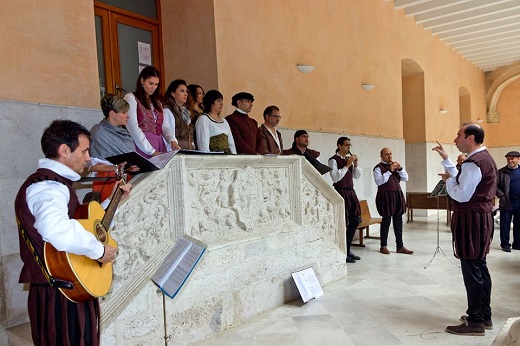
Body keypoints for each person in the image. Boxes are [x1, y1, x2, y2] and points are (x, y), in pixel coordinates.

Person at [14, 120, 131, 345]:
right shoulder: (47, 186)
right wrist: (98, 251)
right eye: (84, 150)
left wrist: (113, 201)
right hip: (58, 296)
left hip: (70, 286)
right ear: (64, 150)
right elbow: (56, 230)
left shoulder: (58, 185)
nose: (88, 158)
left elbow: (88, 226)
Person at [432, 124, 497, 336]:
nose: (455, 139)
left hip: (471, 219)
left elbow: (461, 194)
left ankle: (476, 321)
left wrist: (448, 181)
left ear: (470, 138)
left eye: (458, 135)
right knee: (479, 266)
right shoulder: (481, 159)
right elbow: (463, 179)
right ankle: (484, 315)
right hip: (479, 218)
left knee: (472, 269)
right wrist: (446, 159)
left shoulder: (474, 163)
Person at [90, 94, 139, 201]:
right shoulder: (98, 132)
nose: (128, 115)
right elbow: (92, 166)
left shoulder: (124, 132)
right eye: (124, 112)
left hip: (128, 180)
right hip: (108, 181)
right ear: (112, 114)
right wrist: (118, 168)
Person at [124, 66, 178, 158]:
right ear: (142, 81)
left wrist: (172, 140)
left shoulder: (157, 102)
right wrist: (151, 151)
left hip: (159, 143)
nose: (153, 87)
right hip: (141, 144)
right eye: (151, 83)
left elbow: (163, 125)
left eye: (156, 85)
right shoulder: (131, 97)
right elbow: (132, 127)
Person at [373, 148, 414, 255]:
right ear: (381, 155)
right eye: (387, 154)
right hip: (385, 196)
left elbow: (405, 179)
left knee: (398, 221)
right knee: (386, 221)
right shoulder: (378, 168)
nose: (390, 156)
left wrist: (400, 169)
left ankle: (400, 246)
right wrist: (389, 170)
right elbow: (379, 181)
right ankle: (383, 246)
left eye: (391, 154)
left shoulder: (395, 167)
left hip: (397, 195)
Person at [328, 137, 361, 263]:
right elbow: (336, 178)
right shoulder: (333, 160)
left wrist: (356, 164)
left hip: (351, 191)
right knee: (343, 222)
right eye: (346, 145)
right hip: (341, 191)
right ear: (339, 146)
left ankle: (348, 249)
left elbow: (357, 176)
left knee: (355, 219)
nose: (348, 148)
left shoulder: (348, 160)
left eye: (349, 145)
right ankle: (343, 251)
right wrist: (347, 165)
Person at [195, 90, 236, 154]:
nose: (221, 104)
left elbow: (231, 143)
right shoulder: (204, 119)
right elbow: (203, 144)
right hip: (213, 158)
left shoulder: (224, 121)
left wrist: (234, 157)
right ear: (211, 102)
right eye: (218, 101)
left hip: (227, 158)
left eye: (222, 101)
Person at [496, 150, 520, 252]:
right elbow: (495, 187)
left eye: (512, 159)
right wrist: (502, 195)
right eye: (508, 159)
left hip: (519, 202)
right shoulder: (501, 172)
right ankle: (505, 244)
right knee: (505, 224)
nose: (510, 161)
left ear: (518, 159)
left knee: (518, 224)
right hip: (507, 202)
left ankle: (517, 244)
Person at [163, 79, 192, 150]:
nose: (186, 94)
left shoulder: (185, 112)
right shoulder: (168, 110)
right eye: (182, 91)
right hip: (176, 151)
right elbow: (167, 132)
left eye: (186, 91)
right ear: (173, 93)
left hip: (187, 151)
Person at [187, 84, 205, 149]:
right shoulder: (188, 111)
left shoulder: (204, 110)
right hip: (195, 138)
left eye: (202, 93)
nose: (202, 96)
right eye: (199, 93)